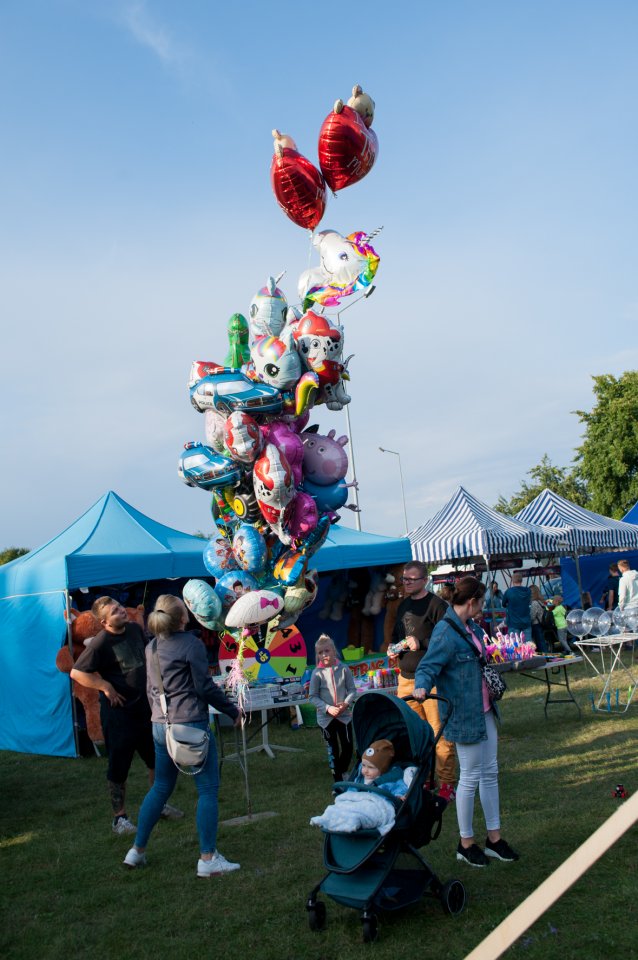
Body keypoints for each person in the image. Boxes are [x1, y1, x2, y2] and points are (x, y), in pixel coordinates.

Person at [122, 595, 241, 877]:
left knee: (161, 787)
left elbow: (152, 688)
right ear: (184, 617)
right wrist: (232, 710)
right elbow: (204, 687)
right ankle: (208, 858)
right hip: (189, 725)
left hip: (160, 725)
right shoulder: (192, 644)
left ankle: (136, 851)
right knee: (208, 789)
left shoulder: (151, 646)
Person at [413, 576, 519, 867]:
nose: (483, 608)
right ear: (471, 602)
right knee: (470, 778)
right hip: (463, 713)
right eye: (482, 602)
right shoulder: (444, 633)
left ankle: (494, 840)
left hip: (484, 710)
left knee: (490, 772)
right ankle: (466, 843)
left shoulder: (471, 626)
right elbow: (428, 666)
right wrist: (421, 686)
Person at [71, 597, 182, 835]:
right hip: (119, 716)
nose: (122, 611)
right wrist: (104, 686)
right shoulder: (100, 643)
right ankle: (119, 819)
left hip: (145, 709)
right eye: (115, 611)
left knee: (156, 760)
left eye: (121, 607)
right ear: (103, 622)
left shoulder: (134, 629)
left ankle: (158, 804)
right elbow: (76, 672)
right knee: (119, 767)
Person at [389, 561, 456, 802]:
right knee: (416, 734)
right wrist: (395, 648)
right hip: (405, 678)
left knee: (439, 733)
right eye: (404, 579)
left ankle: (447, 783)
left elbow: (449, 640)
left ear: (424, 580)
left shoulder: (437, 606)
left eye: (411, 579)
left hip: (432, 680)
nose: (405, 583)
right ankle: (424, 778)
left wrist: (422, 643)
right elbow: (397, 637)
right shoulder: (403, 605)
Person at [309, 634, 356, 783]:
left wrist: (346, 703)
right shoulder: (316, 674)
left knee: (348, 747)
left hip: (344, 716)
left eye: (327, 651)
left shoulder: (344, 669)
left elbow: (352, 690)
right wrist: (328, 708)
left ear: (334, 651)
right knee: (333, 750)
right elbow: (312, 697)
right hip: (326, 719)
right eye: (320, 653)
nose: (324, 655)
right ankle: (337, 781)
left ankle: (342, 770)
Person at [502, 572, 532, 639]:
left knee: (515, 646)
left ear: (512, 580)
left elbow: (503, 604)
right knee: (528, 646)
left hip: (513, 623)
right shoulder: (528, 591)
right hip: (526, 622)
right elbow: (529, 602)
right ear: (521, 580)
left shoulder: (509, 592)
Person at [529, 585, 548, 653]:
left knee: (540, 643)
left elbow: (532, 616)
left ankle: (546, 657)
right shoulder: (541, 601)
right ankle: (547, 656)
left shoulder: (534, 603)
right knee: (542, 642)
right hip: (541, 623)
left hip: (536, 624)